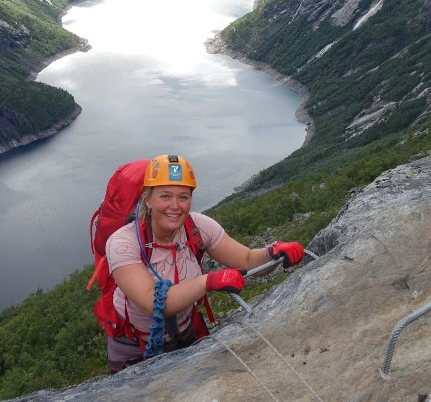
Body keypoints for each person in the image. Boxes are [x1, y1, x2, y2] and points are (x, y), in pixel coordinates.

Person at [105, 154, 304, 372]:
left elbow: (247, 260)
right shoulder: (123, 242)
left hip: (185, 332)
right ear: (148, 199)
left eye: (183, 197)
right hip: (134, 348)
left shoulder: (197, 227)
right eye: (165, 196)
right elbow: (151, 303)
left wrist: (272, 252)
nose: (175, 206)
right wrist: (207, 281)